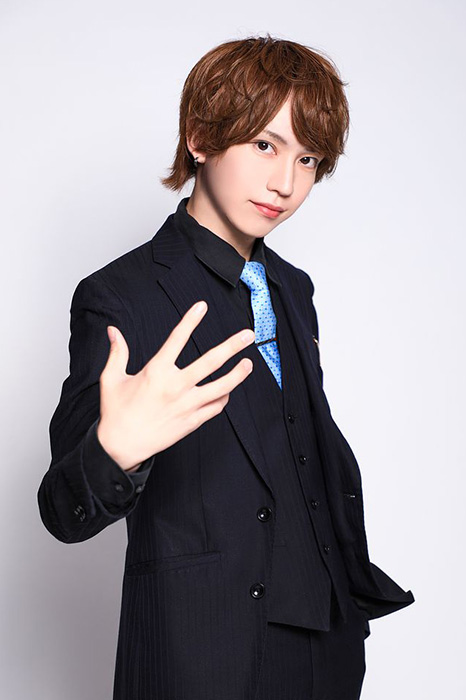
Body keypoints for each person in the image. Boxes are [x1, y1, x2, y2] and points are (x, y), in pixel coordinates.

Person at [38, 34, 414, 700]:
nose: (286, 183)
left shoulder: (292, 287)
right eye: (265, 145)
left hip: (328, 645)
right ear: (201, 138)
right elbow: (63, 512)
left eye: (308, 158)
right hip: (203, 648)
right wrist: (114, 451)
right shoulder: (120, 294)